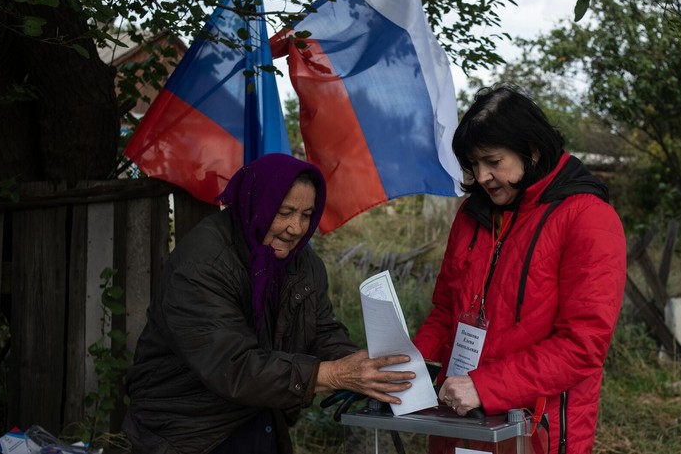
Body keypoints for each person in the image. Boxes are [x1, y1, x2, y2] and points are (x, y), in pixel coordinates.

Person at [122, 153, 415, 454]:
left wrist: (365, 367)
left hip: (259, 412)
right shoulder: (202, 264)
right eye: (284, 212)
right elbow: (234, 366)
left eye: (306, 214)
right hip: (188, 428)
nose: (296, 228)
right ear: (256, 204)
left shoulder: (302, 262)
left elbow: (321, 331)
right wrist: (334, 374)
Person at [412, 84, 627, 454]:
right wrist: (406, 368)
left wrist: (485, 387)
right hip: (459, 420)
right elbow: (446, 311)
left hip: (536, 431)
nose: (481, 176)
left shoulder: (588, 218)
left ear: (532, 150)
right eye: (473, 164)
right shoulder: (471, 215)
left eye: (493, 162)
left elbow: (582, 345)